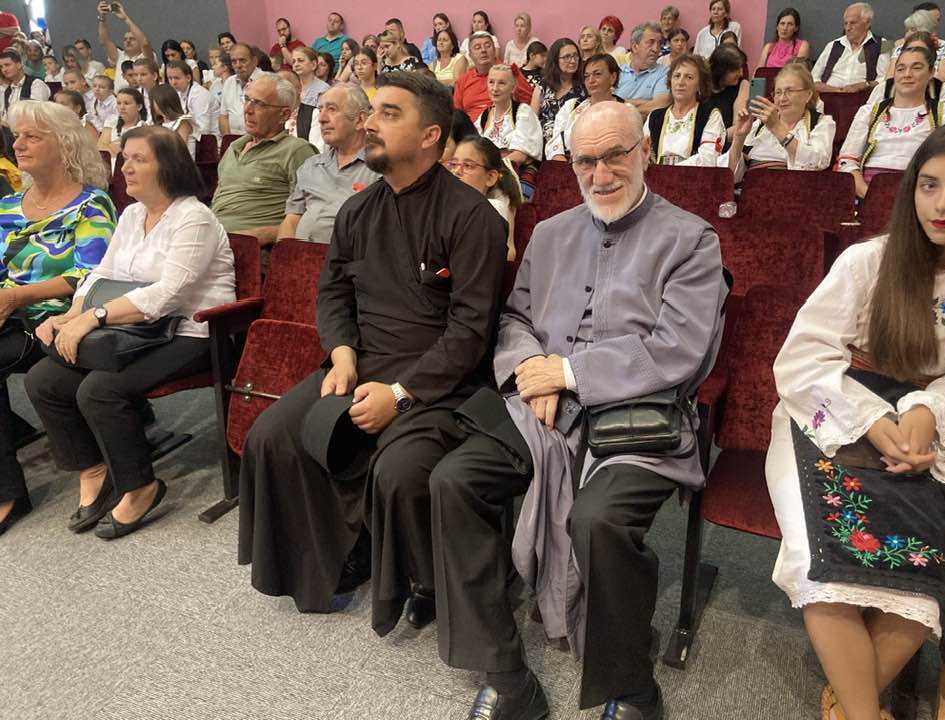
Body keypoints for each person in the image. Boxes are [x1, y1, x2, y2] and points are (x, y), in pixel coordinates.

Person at [429, 100, 727, 720]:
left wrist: (566, 373)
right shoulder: (550, 233)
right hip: (543, 410)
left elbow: (680, 348)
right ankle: (506, 673)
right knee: (453, 481)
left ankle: (632, 688)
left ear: (645, 152)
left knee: (598, 520)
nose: (601, 174)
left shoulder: (692, 238)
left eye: (615, 155)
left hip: (641, 418)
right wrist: (531, 370)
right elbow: (515, 319)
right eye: (586, 161)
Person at [238, 71, 507, 637]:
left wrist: (401, 395)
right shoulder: (357, 212)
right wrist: (340, 354)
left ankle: (424, 578)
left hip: (440, 380)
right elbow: (333, 294)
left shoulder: (472, 217)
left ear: (430, 136)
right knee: (273, 435)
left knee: (398, 467)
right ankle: (329, 557)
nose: (369, 123)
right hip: (358, 361)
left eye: (389, 113)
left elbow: (470, 332)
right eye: (371, 111)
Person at [765, 118, 945, 720]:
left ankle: (850, 709)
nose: (943, 204)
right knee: (819, 560)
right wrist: (874, 420)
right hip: (830, 411)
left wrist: (928, 409)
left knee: (927, 571)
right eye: (929, 185)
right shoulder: (868, 261)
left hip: (935, 429)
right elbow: (802, 359)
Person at [26, 125, 235, 541]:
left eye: (139, 159)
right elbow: (102, 273)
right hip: (136, 327)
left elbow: (169, 293)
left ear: (168, 167)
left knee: (99, 390)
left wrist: (94, 318)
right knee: (43, 380)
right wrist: (72, 313)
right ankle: (94, 469)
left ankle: (141, 486)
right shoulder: (133, 214)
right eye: (125, 158)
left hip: (192, 330)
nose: (125, 167)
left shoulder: (194, 218)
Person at [0, 101, 115, 537]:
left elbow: (90, 275)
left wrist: (15, 297)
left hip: (57, 319)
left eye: (32, 136)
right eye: (17, 135)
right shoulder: (8, 205)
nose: (18, 144)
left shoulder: (91, 204)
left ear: (64, 145)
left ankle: (7, 493)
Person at [211, 74, 315, 251]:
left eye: (259, 104)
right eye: (247, 100)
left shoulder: (296, 150)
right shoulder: (234, 147)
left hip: (251, 251)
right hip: (213, 241)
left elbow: (311, 216)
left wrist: (264, 235)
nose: (247, 109)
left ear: (284, 115)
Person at [839, 46, 945, 198]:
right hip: (869, 192)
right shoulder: (869, 112)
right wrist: (869, 194)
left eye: (916, 68)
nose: (907, 74)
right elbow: (847, 160)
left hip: (921, 193)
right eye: (901, 69)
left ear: (931, 73)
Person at [277, 84, 380, 244]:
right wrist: (284, 255)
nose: (322, 118)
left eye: (332, 109)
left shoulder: (380, 168)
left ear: (360, 120)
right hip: (300, 256)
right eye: (320, 109)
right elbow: (291, 220)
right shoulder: (311, 165)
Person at [724, 62, 835, 182]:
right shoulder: (760, 125)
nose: (782, 98)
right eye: (778, 92)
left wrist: (776, 128)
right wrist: (739, 138)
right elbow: (731, 177)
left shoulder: (822, 123)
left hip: (793, 188)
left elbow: (818, 162)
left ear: (808, 95)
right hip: (753, 188)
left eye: (789, 91)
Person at [445, 135, 522, 261]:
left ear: (490, 177)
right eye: (453, 164)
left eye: (468, 165)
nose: (456, 171)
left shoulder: (494, 208)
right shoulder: (441, 205)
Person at [644, 53, 725, 166]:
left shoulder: (711, 115)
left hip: (695, 176)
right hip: (657, 176)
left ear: (700, 85)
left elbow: (708, 159)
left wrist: (671, 170)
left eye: (689, 77)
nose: (680, 82)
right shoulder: (654, 117)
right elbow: (641, 154)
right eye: (677, 76)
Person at [547, 54, 623, 160]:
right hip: (567, 162)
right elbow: (556, 139)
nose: (591, 81)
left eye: (597, 74)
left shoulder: (625, 111)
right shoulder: (571, 105)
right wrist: (559, 158)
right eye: (587, 76)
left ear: (613, 77)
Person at [475, 64, 543, 168]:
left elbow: (520, 156)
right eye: (491, 82)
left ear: (513, 88)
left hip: (515, 170)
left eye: (501, 83)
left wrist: (489, 169)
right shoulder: (485, 115)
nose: (495, 88)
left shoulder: (523, 112)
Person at [454, 32, 533, 122]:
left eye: (487, 46)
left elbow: (529, 102)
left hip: (504, 124)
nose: (483, 50)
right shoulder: (463, 80)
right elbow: (456, 114)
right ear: (470, 55)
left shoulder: (509, 72)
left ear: (495, 51)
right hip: (470, 127)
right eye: (477, 47)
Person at [812, 3, 888, 95]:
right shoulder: (833, 45)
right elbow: (813, 78)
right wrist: (833, 89)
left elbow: (885, 79)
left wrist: (865, 85)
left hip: (862, 97)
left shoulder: (882, 45)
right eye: (846, 23)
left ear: (867, 23)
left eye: (853, 23)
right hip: (828, 94)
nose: (848, 28)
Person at [532, 38, 585, 141]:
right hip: (543, 143)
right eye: (567, 57)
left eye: (575, 56)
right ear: (555, 60)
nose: (573, 61)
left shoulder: (584, 86)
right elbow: (531, 121)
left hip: (572, 141)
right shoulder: (543, 86)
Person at [885, 13, 945, 86]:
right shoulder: (900, 49)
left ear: (926, 30)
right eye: (906, 30)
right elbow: (890, 77)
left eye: (913, 30)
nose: (907, 35)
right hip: (903, 89)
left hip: (937, 89)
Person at [96, 0, 155, 89]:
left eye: (132, 39)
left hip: (141, 96)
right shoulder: (119, 55)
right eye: (125, 39)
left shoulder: (146, 57)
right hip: (119, 96)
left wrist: (126, 19)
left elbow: (145, 43)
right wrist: (102, 18)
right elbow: (105, 41)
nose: (128, 41)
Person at [616, 23, 671, 115]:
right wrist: (647, 102)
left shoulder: (664, 73)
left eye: (659, 44)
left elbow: (659, 105)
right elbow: (607, 102)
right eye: (650, 43)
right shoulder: (618, 72)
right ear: (635, 47)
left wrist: (622, 103)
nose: (656, 49)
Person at [219, 45, 264, 136]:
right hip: (233, 139)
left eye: (242, 60)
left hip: (259, 139)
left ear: (254, 61)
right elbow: (224, 116)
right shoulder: (229, 82)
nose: (238, 65)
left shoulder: (266, 81)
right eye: (234, 62)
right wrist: (228, 140)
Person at [165, 60, 218, 137]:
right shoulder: (178, 92)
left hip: (210, 140)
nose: (173, 82)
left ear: (188, 78)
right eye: (170, 78)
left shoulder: (199, 95)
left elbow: (204, 130)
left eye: (177, 78)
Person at [708, 45, 749, 141]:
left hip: (724, 142)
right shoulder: (700, 85)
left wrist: (713, 141)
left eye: (741, 68)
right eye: (735, 70)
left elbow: (738, 126)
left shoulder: (743, 85)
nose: (741, 74)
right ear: (720, 71)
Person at [98, 86, 146, 162]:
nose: (122, 107)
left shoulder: (143, 127)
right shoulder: (111, 122)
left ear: (139, 107)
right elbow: (101, 148)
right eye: (119, 103)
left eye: (126, 103)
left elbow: (131, 153)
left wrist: (110, 145)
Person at [150, 83, 197, 160]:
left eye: (152, 102)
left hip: (181, 163)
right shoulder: (159, 124)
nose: (151, 105)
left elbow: (180, 149)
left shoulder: (183, 122)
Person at [0, 49, 50, 120]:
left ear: (19, 65)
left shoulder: (36, 83)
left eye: (7, 65)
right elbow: (6, 116)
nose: (4, 69)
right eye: (1, 67)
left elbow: (37, 111)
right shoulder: (7, 91)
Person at [132, 58, 158, 123]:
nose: (139, 78)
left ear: (155, 76)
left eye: (143, 74)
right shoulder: (136, 94)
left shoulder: (165, 92)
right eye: (136, 75)